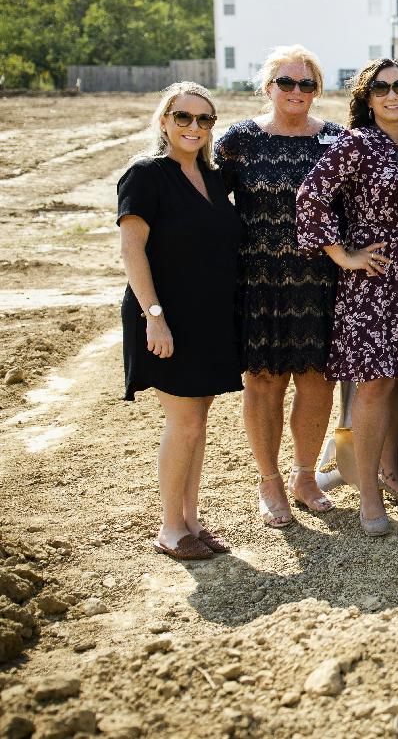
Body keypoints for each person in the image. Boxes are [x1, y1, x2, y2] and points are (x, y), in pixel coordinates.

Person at [296, 58, 398, 537]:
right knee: (375, 383)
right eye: (380, 88)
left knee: (396, 376)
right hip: (375, 278)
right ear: (367, 97)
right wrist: (343, 255)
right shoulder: (357, 144)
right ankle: (368, 494)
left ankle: (393, 474)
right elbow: (310, 196)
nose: (391, 94)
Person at [216, 45, 344, 528]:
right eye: (286, 83)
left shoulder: (335, 139)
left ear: (317, 90)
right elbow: (208, 202)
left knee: (317, 382)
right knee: (264, 383)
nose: (296, 92)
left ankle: (305, 475)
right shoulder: (240, 141)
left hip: (320, 282)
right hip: (257, 283)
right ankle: (269, 482)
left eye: (306, 84)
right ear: (267, 87)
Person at [118, 82, 242, 561]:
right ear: (164, 121)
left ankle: (191, 520)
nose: (194, 127)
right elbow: (131, 251)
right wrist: (154, 317)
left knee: (197, 422)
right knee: (184, 421)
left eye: (205, 119)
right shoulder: (145, 176)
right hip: (165, 316)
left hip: (208, 318)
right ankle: (170, 528)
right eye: (184, 117)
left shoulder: (213, 179)